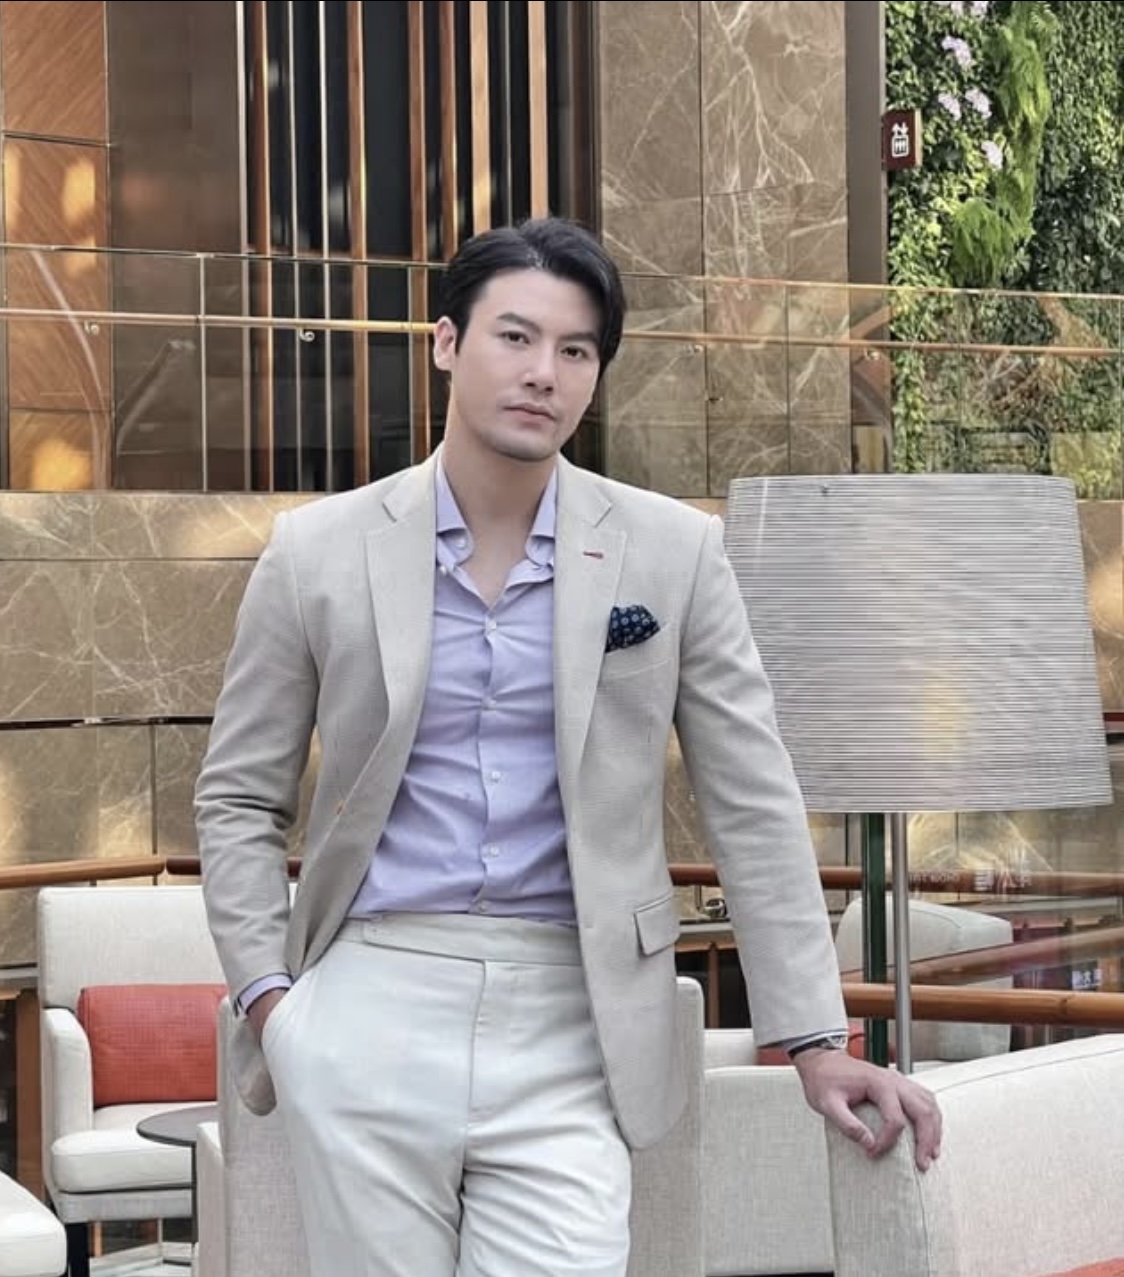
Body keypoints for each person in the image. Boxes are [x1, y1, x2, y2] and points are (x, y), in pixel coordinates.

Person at [195, 215, 942, 1276]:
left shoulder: (674, 552)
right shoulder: (316, 551)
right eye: (515, 336)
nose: (543, 371)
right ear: (447, 342)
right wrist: (275, 1003)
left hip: (577, 1006)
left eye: (576, 349)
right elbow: (237, 796)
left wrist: (816, 1038)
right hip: (370, 990)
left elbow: (753, 800)